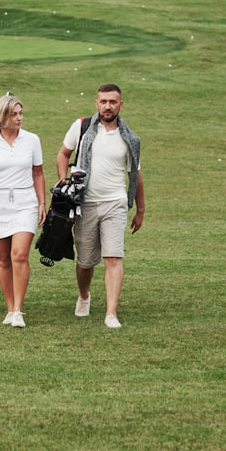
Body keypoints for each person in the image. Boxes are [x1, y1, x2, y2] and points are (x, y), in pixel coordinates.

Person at [55, 84, 145, 329]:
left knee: (113, 257)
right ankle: (84, 295)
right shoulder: (82, 127)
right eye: (103, 101)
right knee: (85, 261)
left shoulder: (130, 139)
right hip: (85, 204)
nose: (108, 106)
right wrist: (64, 181)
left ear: (120, 105)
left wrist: (140, 210)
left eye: (113, 102)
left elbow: (135, 174)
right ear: (97, 103)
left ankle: (111, 313)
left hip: (115, 203)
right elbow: (63, 154)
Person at [0, 93, 46, 328]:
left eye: (21, 113)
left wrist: (42, 202)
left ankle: (18, 310)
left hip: (25, 202)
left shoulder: (32, 140)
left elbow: (38, 172)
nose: (19, 118)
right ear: (2, 116)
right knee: (4, 259)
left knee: (20, 255)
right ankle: (9, 307)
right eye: (14, 114)